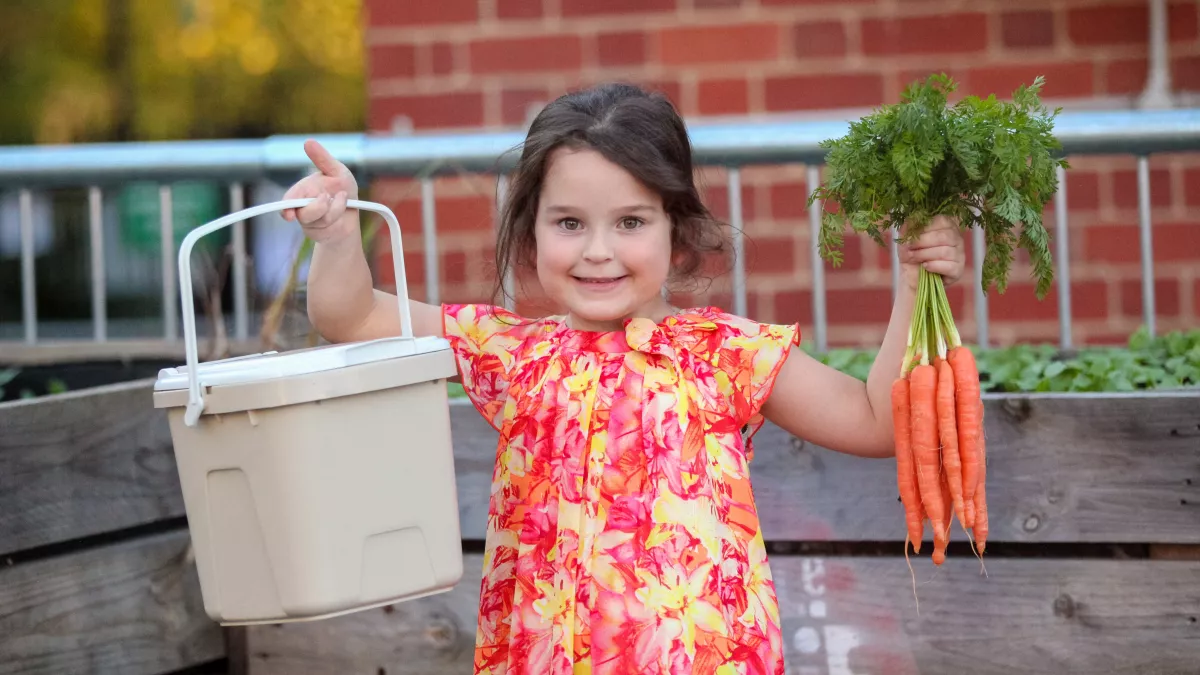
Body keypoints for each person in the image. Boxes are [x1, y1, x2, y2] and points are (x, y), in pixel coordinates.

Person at [282, 82, 965, 674]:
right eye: (569, 223)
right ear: (531, 233)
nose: (598, 250)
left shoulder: (725, 351)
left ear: (677, 226)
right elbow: (353, 313)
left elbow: (879, 422)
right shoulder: (510, 351)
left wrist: (915, 282)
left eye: (631, 221)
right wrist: (339, 237)